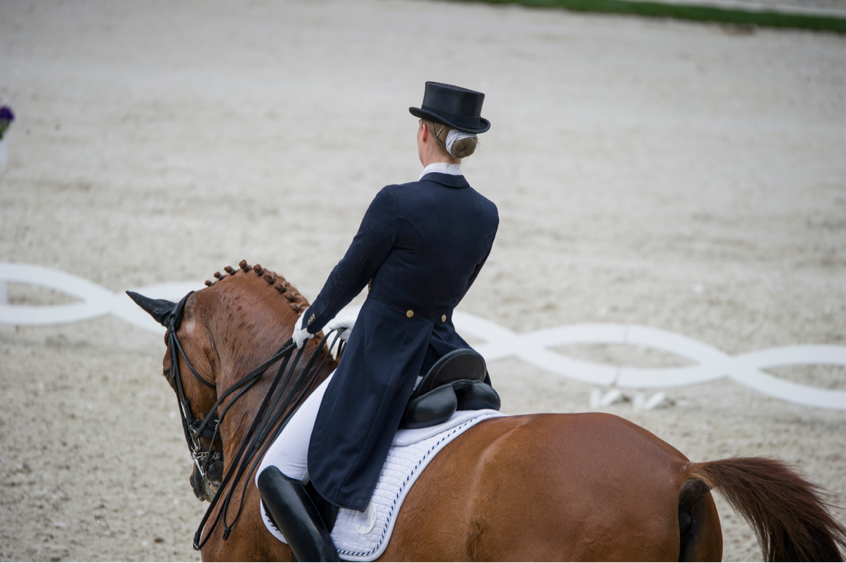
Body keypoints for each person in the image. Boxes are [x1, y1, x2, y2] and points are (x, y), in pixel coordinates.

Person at [256, 82, 498, 563]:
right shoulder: (486, 214)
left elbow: (350, 274)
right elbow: (451, 292)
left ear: (424, 132)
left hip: (383, 356)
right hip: (444, 351)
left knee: (275, 471)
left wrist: (312, 320)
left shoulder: (397, 202)